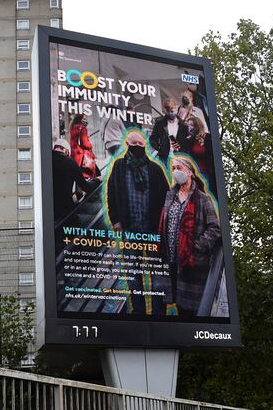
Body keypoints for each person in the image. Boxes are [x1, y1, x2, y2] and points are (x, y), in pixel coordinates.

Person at [105, 131, 169, 314]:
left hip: (152, 230)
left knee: (157, 275)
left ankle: (159, 313)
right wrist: (115, 220)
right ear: (127, 144)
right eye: (136, 144)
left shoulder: (155, 169)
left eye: (142, 144)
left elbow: (166, 197)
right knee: (133, 274)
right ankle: (139, 311)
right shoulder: (119, 166)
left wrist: (162, 225)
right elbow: (111, 194)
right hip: (129, 229)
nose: (139, 147)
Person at [158, 156, 221, 316]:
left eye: (179, 167)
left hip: (192, 263)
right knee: (177, 306)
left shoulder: (202, 199)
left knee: (190, 312)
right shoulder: (169, 196)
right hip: (171, 261)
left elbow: (215, 228)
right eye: (173, 168)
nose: (176, 171)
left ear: (190, 172)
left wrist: (197, 247)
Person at [69, 113, 100, 179]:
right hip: (82, 156)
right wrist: (90, 145)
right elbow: (85, 143)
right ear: (80, 119)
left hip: (74, 155)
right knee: (95, 174)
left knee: (78, 176)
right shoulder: (82, 128)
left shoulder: (72, 127)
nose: (85, 120)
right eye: (84, 118)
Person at [183, 115, 214, 180]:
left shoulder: (207, 137)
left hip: (205, 173)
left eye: (191, 125)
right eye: (188, 125)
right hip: (192, 173)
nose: (189, 127)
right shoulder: (190, 139)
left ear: (197, 126)